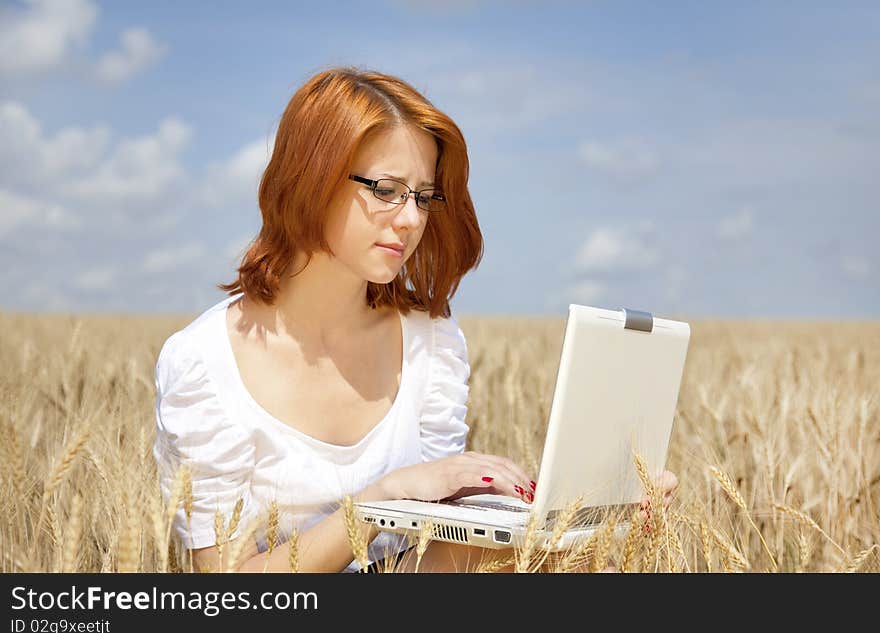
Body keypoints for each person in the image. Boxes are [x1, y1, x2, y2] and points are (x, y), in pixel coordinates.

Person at [152, 66, 677, 574]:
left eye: (424, 197)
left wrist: (558, 518)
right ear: (311, 177)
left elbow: (433, 534)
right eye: (386, 190)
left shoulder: (431, 344)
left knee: (571, 561)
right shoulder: (204, 363)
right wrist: (379, 499)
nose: (411, 218)